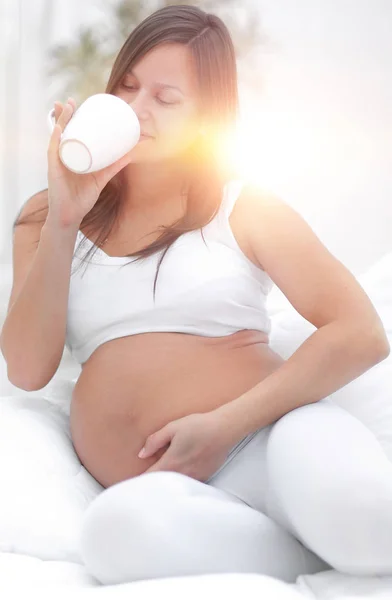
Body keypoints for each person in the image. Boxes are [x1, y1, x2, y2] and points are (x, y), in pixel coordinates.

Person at [2, 3, 391, 587]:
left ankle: (334, 536)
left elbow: (360, 333)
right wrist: (65, 216)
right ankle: (307, 555)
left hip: (272, 440)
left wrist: (223, 426)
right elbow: (28, 370)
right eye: (128, 86)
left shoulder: (245, 206)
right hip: (160, 489)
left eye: (166, 98)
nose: (138, 108)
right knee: (111, 537)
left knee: (368, 525)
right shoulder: (46, 217)